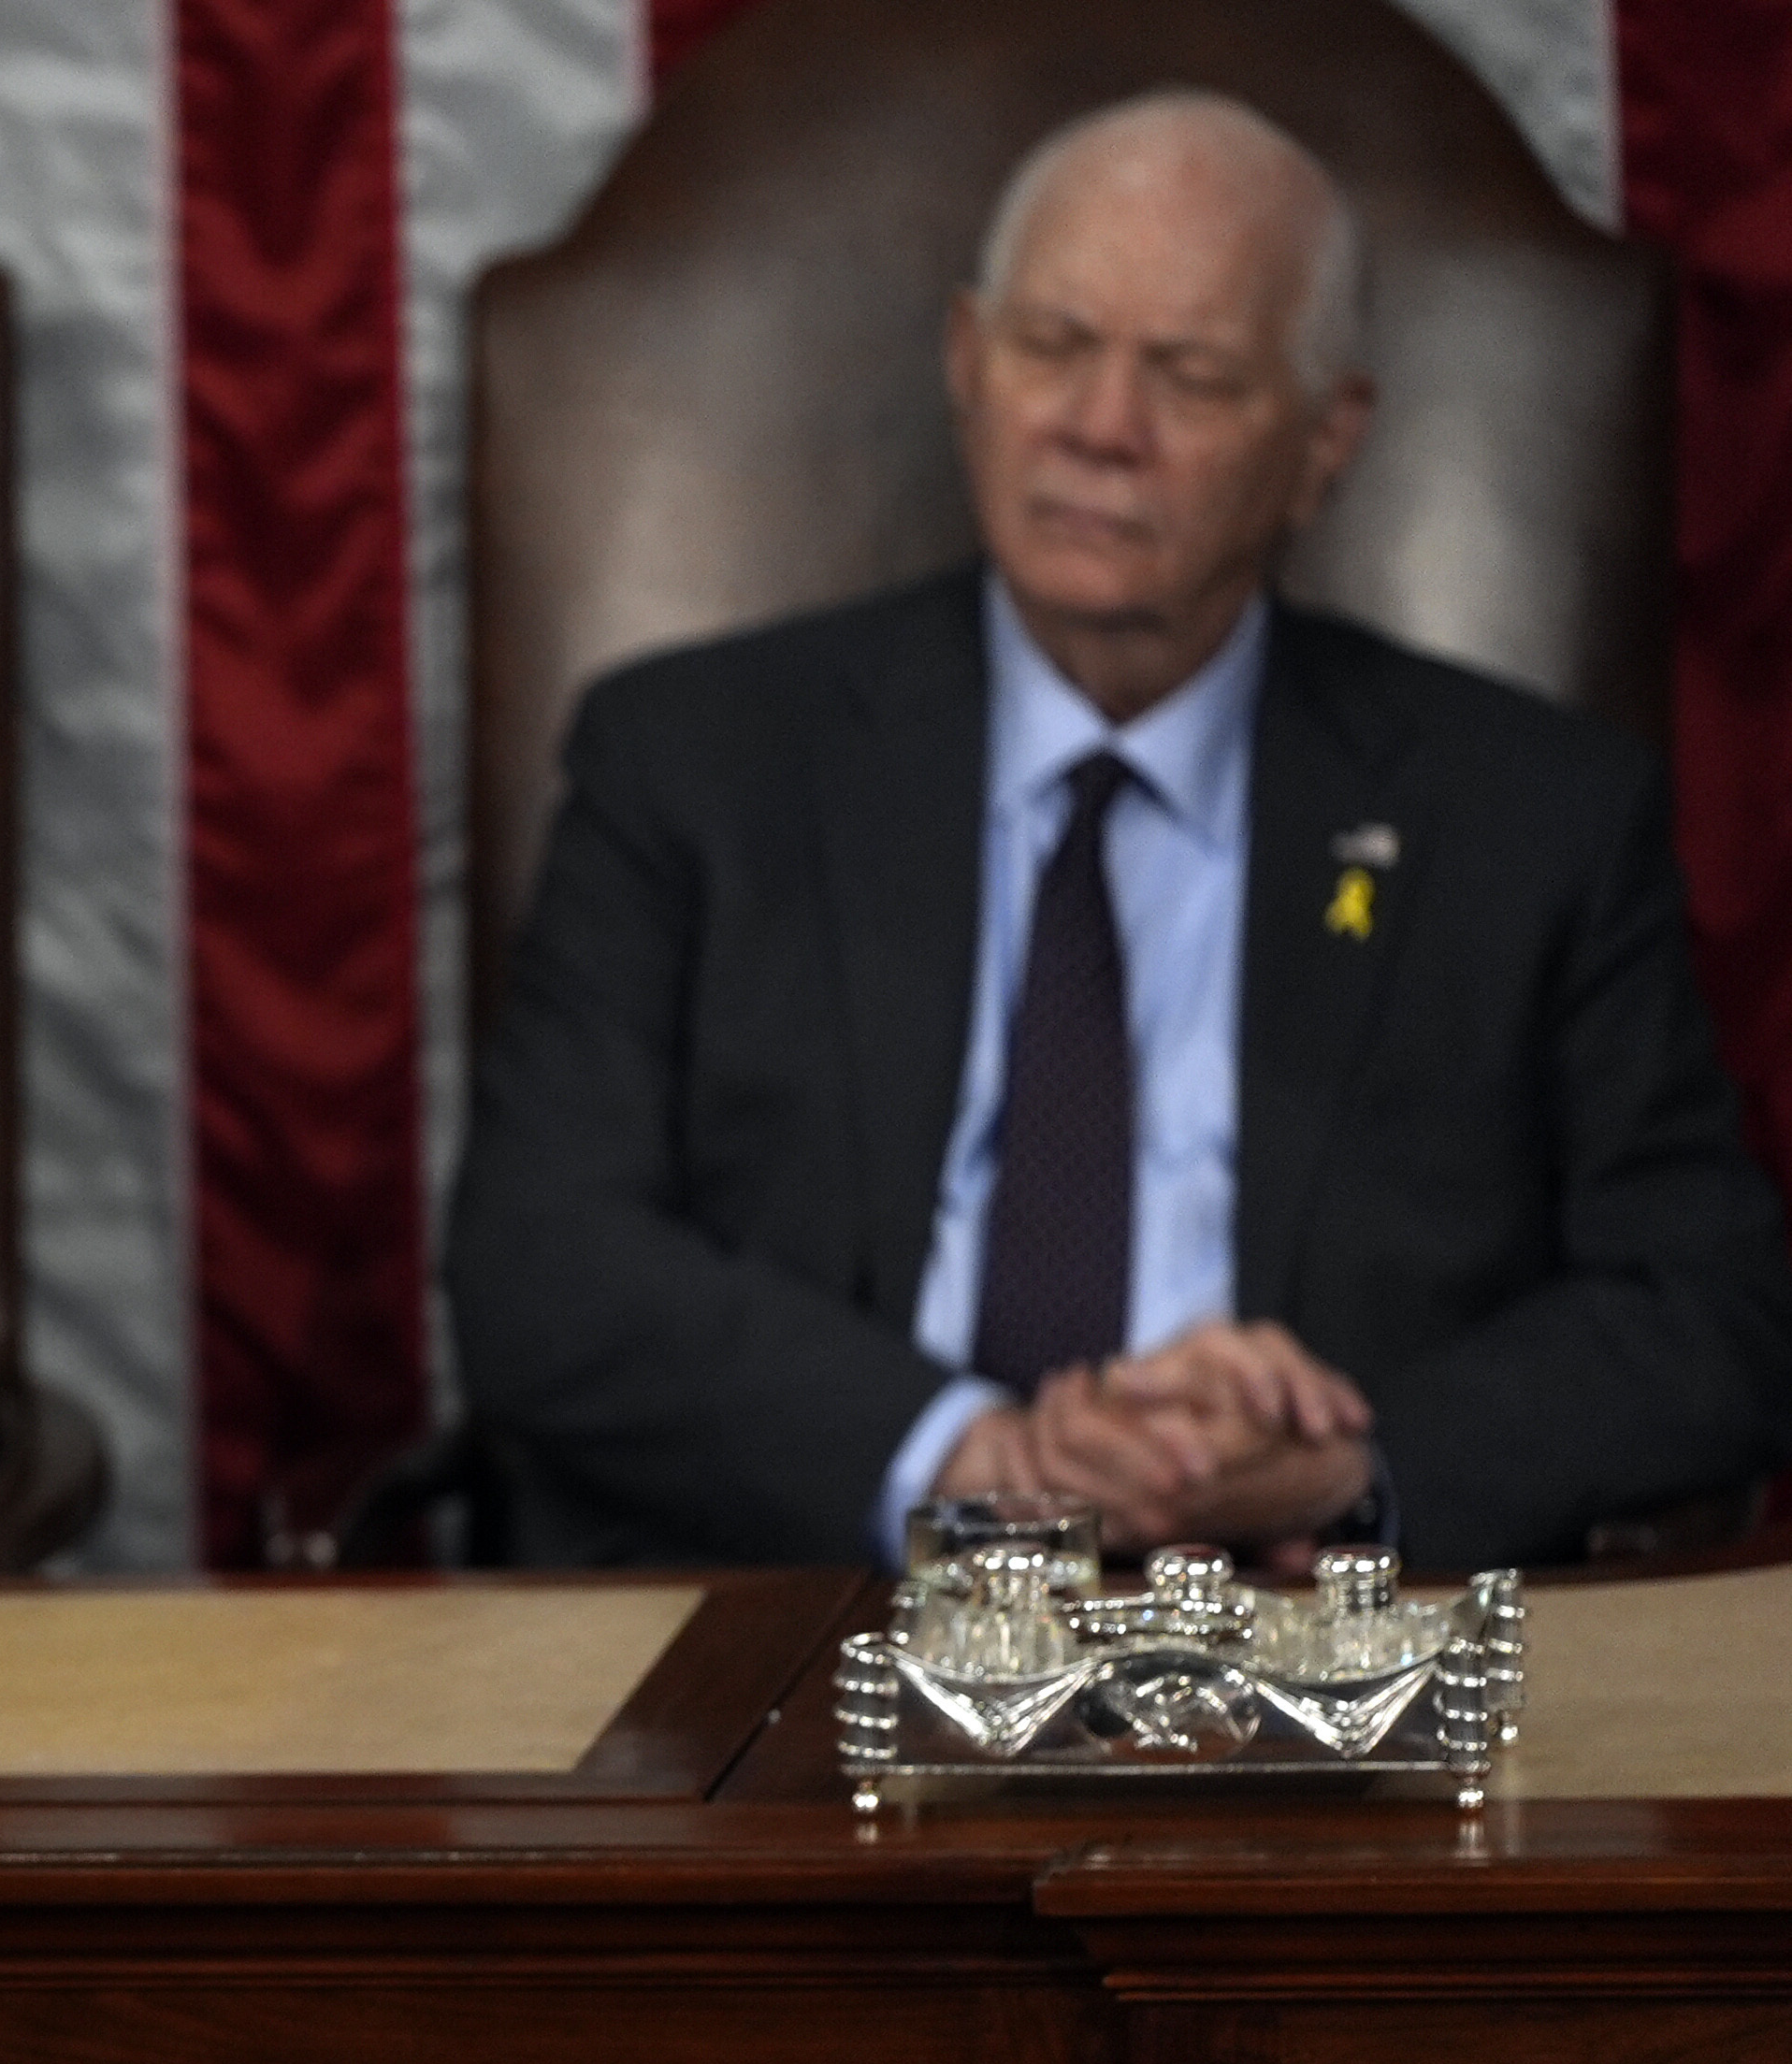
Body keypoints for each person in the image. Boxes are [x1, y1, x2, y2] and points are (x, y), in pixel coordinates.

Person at [451, 87, 1792, 1572]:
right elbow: (537, 1266)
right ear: (966, 361)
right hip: (805, 1625)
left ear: (1325, 435)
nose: (1101, 429)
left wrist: (1345, 1472)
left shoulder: (1527, 815)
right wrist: (968, 1454)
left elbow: (1708, 1312)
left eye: (1192, 374)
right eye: (1052, 348)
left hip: (1312, 1670)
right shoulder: (694, 760)